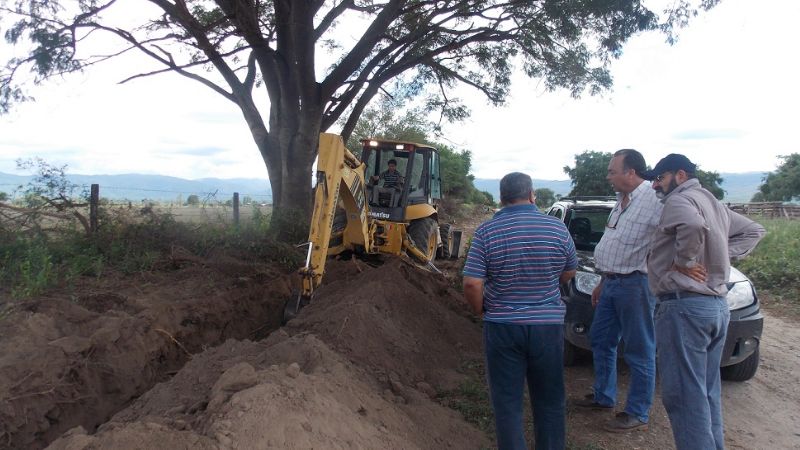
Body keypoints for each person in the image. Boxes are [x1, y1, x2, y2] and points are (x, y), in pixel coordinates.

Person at [644, 154, 765, 450]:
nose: (655, 185)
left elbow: (692, 226)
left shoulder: (679, 201)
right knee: (706, 392)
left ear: (680, 175)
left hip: (684, 307)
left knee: (684, 397)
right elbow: (754, 230)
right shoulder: (713, 202)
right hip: (714, 308)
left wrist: (686, 259)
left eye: (659, 178)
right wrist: (717, 255)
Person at [462, 172, 577, 450]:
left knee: (508, 404)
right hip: (547, 327)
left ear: (501, 198)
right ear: (532, 194)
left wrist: (481, 310)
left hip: (502, 327)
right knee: (549, 402)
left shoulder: (487, 231)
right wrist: (547, 284)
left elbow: (472, 283)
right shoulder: (557, 229)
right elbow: (570, 271)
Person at [572, 149, 662, 433]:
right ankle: (604, 396)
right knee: (600, 339)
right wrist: (602, 280)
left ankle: (637, 411)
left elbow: (678, 234)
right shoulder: (621, 200)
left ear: (631, 172)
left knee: (639, 349)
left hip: (636, 285)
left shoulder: (655, 199)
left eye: (612, 171)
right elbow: (615, 242)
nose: (608, 176)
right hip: (611, 282)